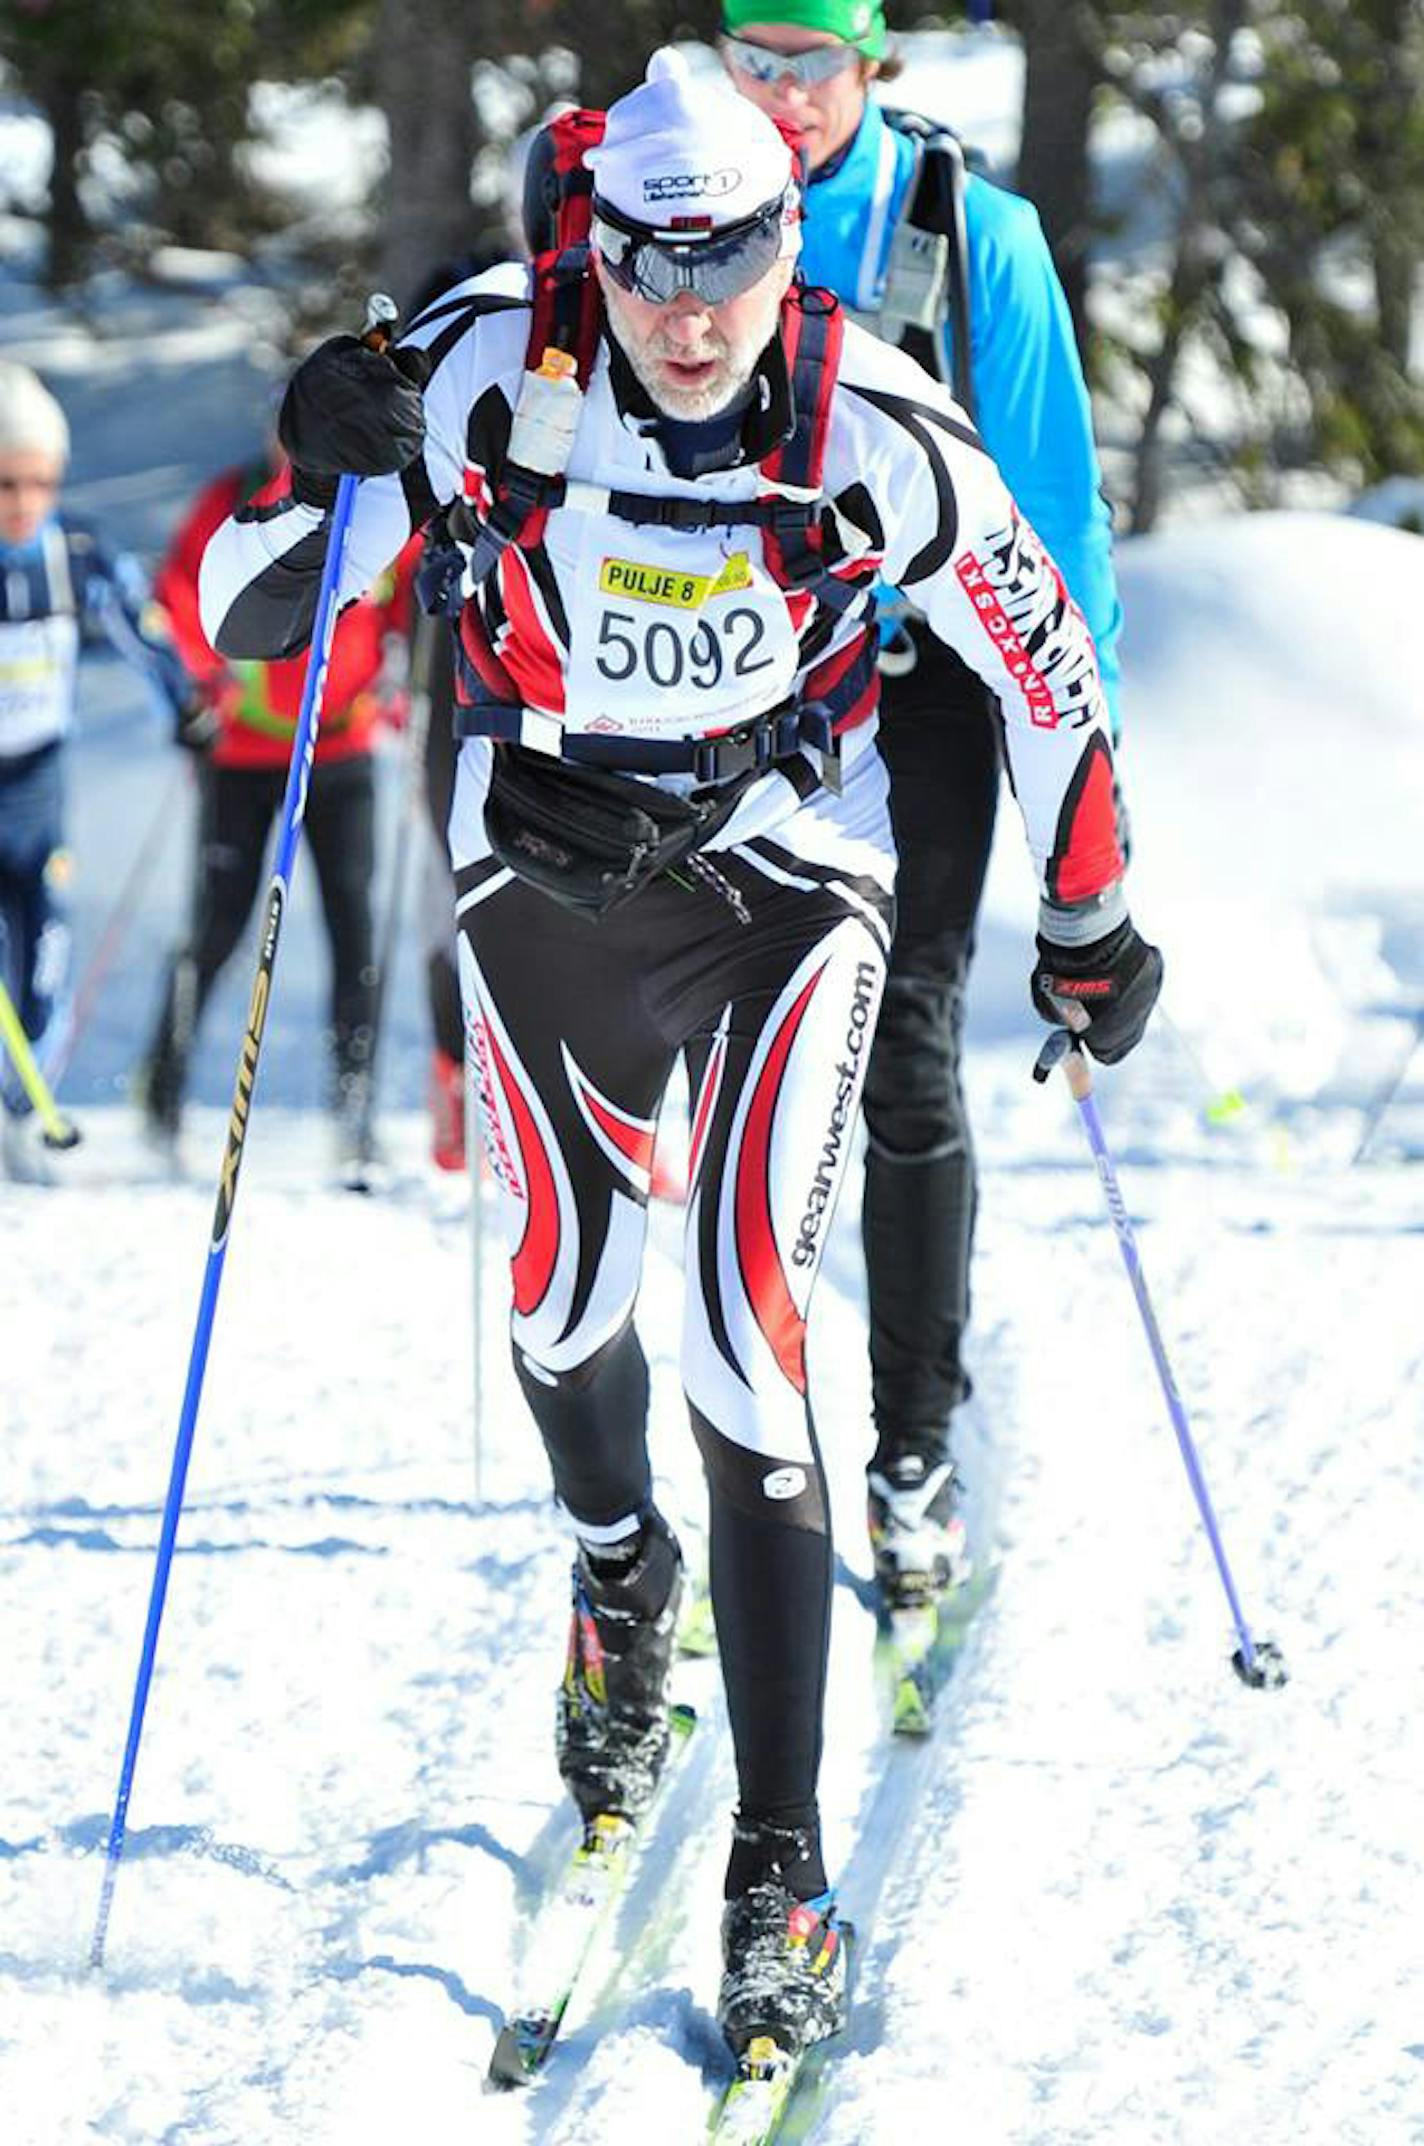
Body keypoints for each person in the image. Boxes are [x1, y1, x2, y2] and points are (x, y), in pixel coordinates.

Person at [197, 50, 1160, 2063]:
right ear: (598, 243)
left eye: (727, 261)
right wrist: (317, 460)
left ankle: (781, 1854)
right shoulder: (483, 368)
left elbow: (1045, 663)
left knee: (742, 1332)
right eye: (648, 263)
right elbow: (257, 613)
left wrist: (1090, 915)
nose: (688, 308)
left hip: (779, 883)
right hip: (538, 879)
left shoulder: (872, 422)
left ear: (781, 244)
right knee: (563, 1316)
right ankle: (618, 1568)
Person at [721, 1, 1128, 1607]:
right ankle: (740, 1441)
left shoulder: (972, 232)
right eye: (749, 58)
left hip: (927, 686)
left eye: (809, 61)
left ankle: (913, 1446)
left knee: (905, 1048)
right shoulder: (672, 198)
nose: (779, 96)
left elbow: (1053, 517)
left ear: (872, 62)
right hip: (726, 680)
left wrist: (1091, 806)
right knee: (718, 1052)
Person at [138, 445, 418, 1172]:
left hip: (341, 746)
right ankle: (162, 1094)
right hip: (243, 752)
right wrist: (203, 683)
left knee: (353, 927)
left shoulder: (377, 503)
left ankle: (353, 1106)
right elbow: (179, 596)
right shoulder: (234, 497)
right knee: (220, 926)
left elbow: (416, 592)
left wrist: (406, 666)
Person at [0, 360, 195, 1179]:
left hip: (39, 786)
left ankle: (24, 1112)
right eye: (6, 483)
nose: (22, 504)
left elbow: (141, 630)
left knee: (45, 945)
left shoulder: (75, 552)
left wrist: (188, 707)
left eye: (38, 483)